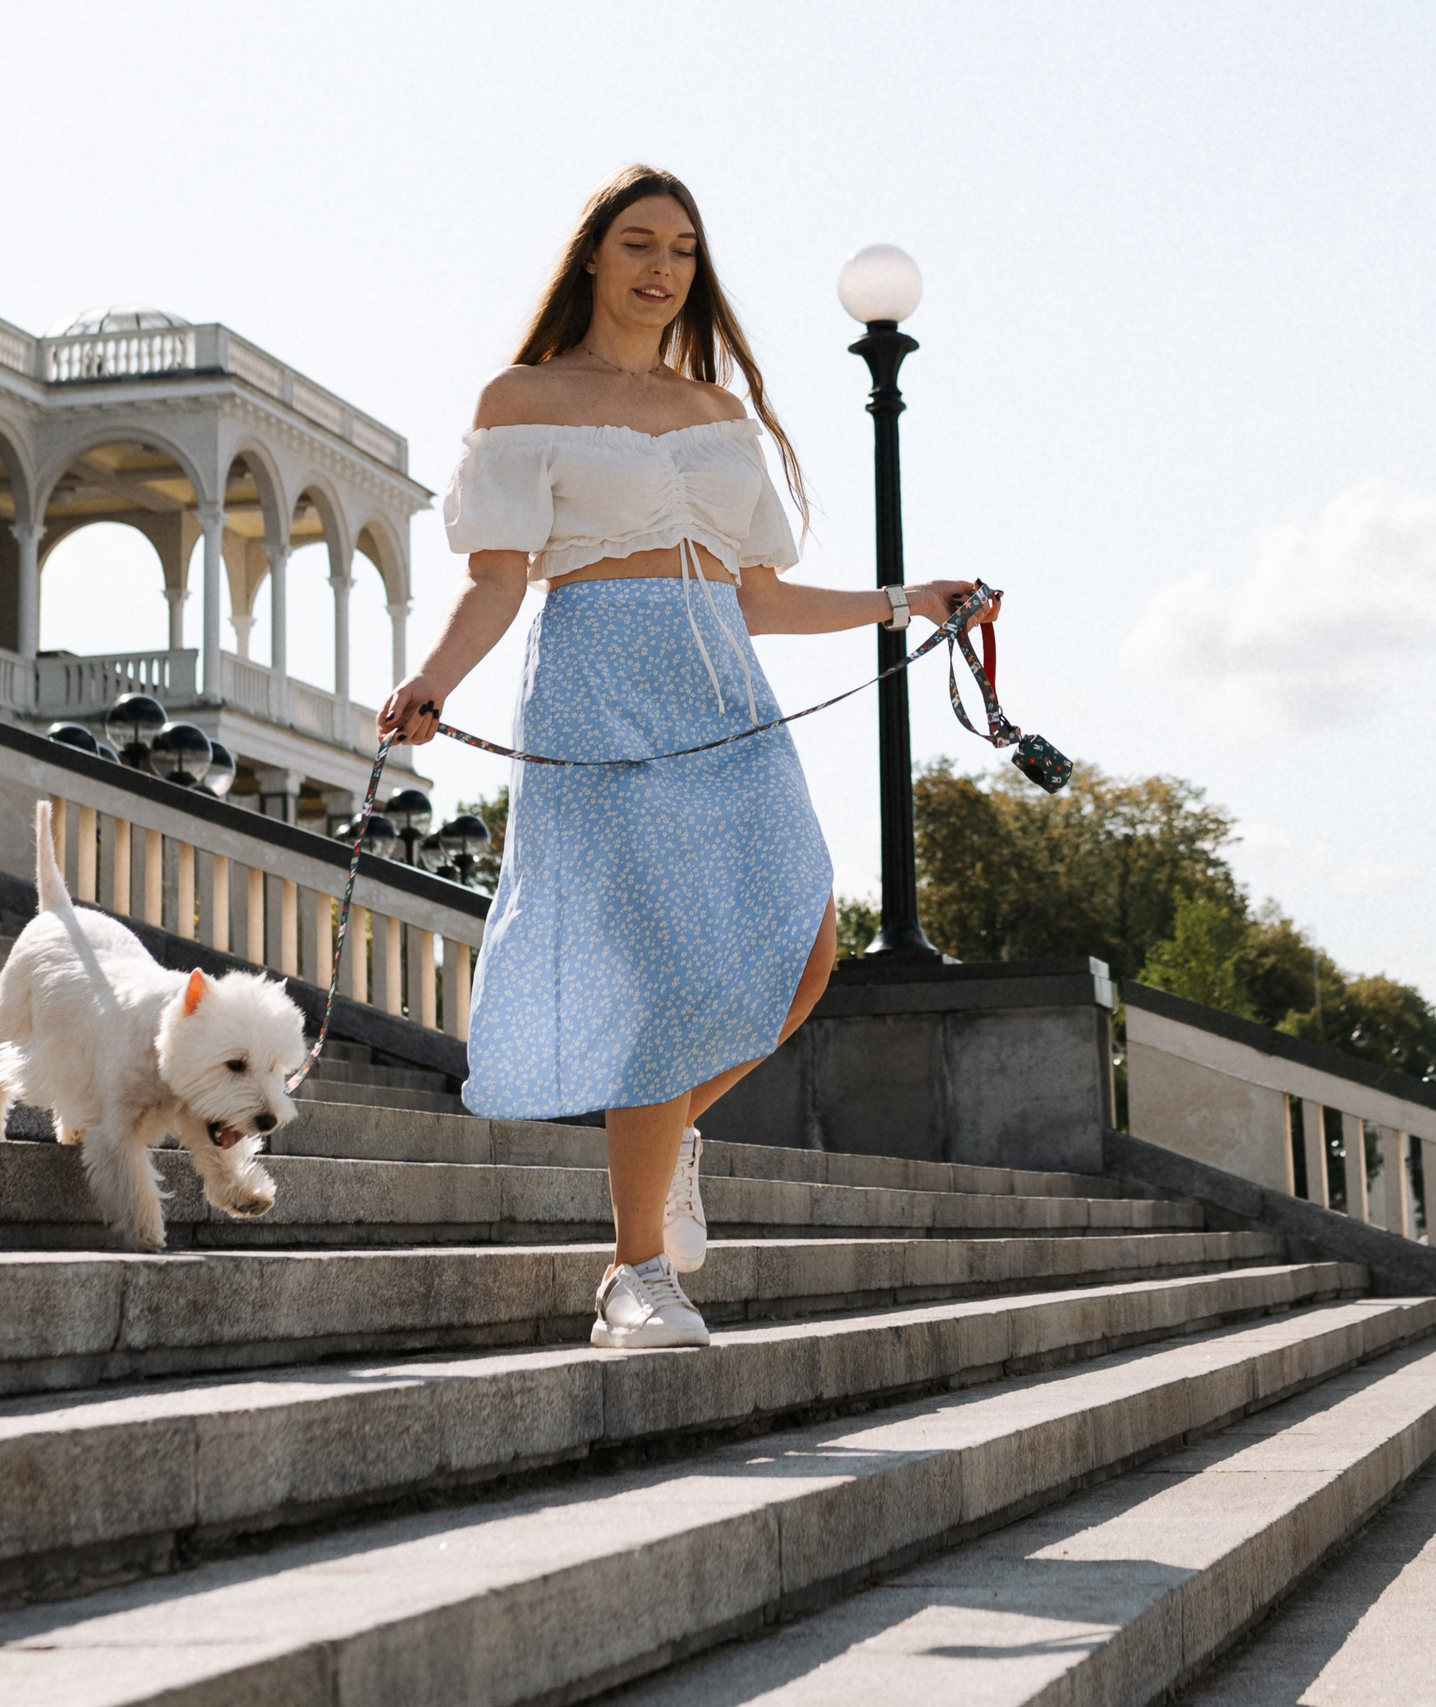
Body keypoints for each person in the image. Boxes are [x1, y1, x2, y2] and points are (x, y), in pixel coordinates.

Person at [379, 166, 997, 1352]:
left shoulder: (719, 418)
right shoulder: (524, 397)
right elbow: (497, 577)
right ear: (595, 258)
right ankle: (632, 1279)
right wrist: (433, 684)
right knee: (660, 980)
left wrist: (905, 600)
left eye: (681, 249)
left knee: (804, 948)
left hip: (725, 696)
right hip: (595, 692)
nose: (662, 266)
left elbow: (754, 597)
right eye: (638, 243)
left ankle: (665, 1138)